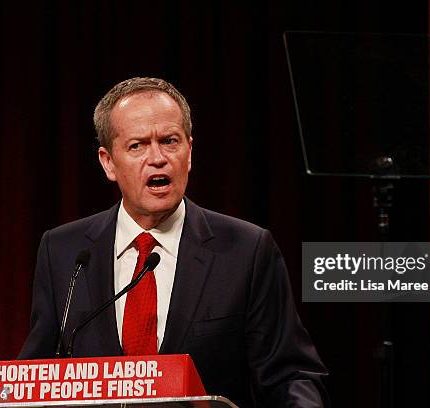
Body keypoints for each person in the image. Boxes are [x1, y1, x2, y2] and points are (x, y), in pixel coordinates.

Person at [19, 77, 328, 407]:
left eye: (169, 141)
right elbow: (37, 376)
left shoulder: (247, 250)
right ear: (108, 162)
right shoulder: (64, 252)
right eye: (137, 145)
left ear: (190, 151)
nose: (157, 158)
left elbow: (290, 375)